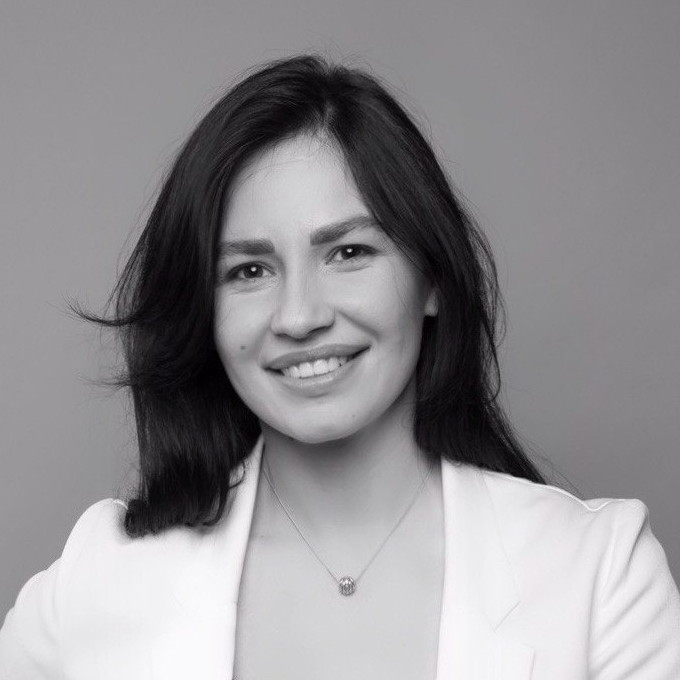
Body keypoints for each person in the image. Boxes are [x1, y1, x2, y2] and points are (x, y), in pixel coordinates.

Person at [1, 54, 679, 680]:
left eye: (348, 253)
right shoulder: (100, 579)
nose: (299, 316)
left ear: (432, 277)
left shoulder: (600, 577)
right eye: (249, 270)